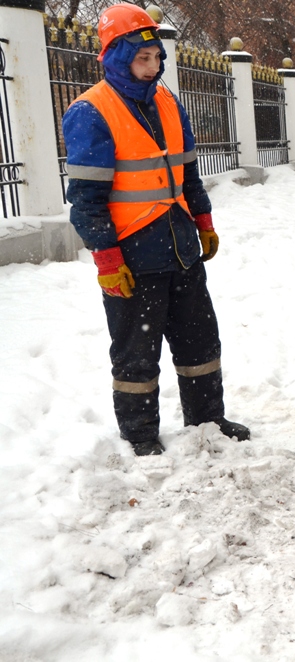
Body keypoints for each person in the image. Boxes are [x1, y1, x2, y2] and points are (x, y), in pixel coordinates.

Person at [63, 3, 249, 456]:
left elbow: (188, 174)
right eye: (141, 58)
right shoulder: (91, 111)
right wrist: (106, 260)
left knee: (200, 340)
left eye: (156, 58)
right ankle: (140, 435)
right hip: (132, 255)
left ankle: (207, 419)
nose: (152, 67)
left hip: (181, 246)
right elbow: (87, 200)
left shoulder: (167, 101)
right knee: (136, 354)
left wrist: (203, 222)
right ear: (116, 56)